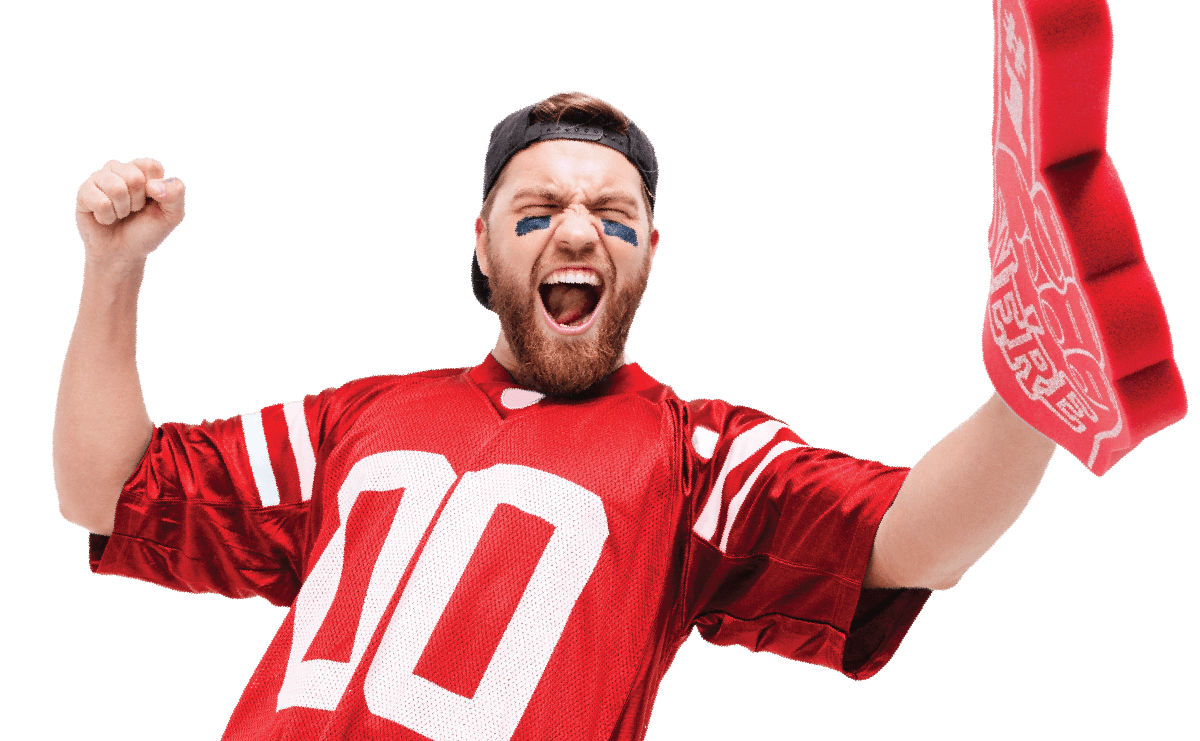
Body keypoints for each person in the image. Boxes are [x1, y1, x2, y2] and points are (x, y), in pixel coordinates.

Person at [53, 91, 1061, 740]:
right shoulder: (357, 417)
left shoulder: (698, 452)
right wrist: (114, 270)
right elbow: (104, 487)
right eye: (539, 212)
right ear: (484, 245)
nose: (578, 228)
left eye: (613, 217)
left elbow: (913, 538)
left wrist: (1037, 381)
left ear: (648, 255)